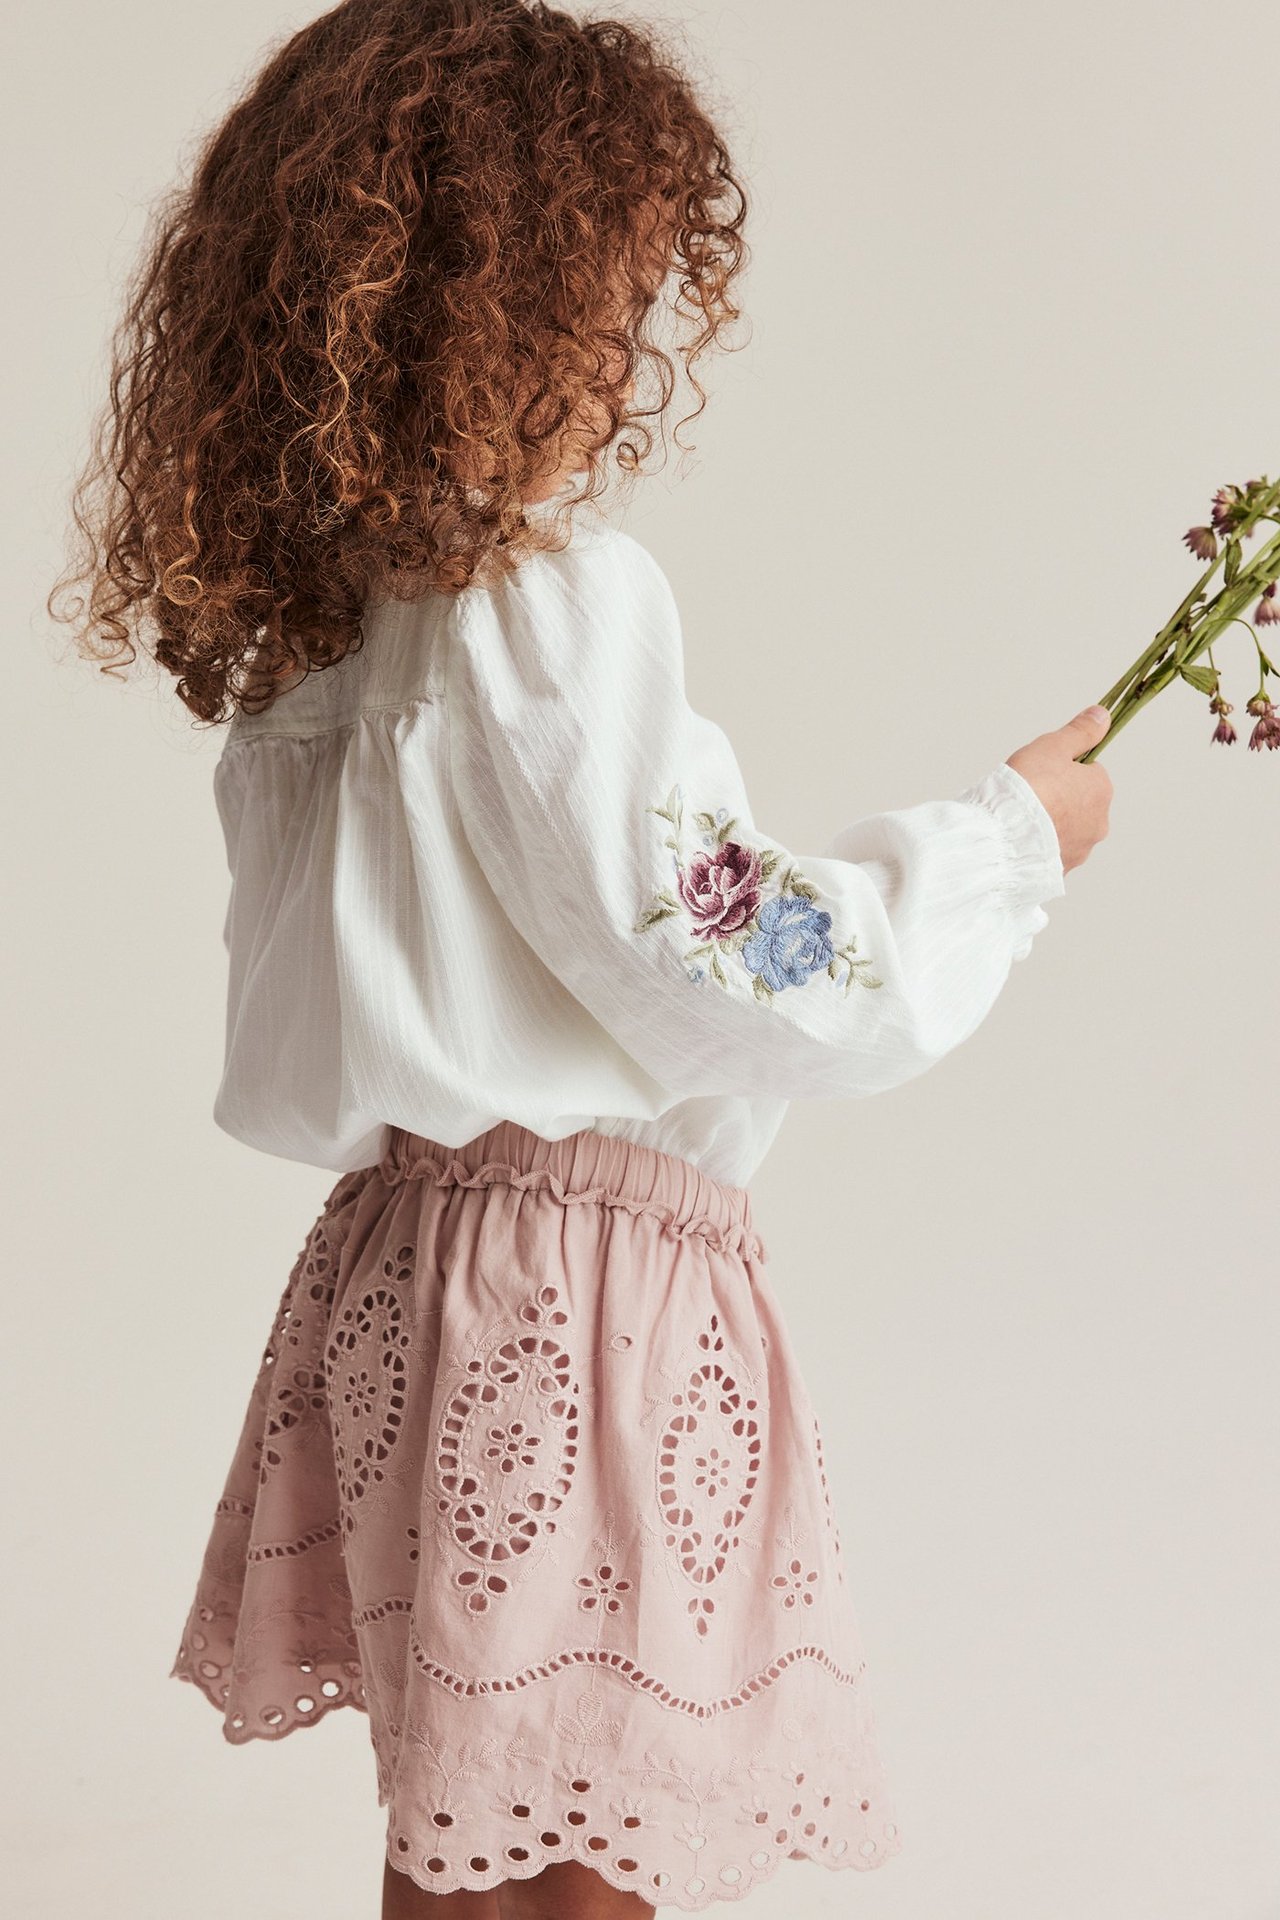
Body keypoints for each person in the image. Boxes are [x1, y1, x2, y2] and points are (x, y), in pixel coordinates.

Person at [47, 2, 1113, 1915]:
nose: (628, 351)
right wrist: (1006, 842)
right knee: (575, 1854)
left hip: (405, 1276)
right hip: (570, 1304)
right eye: (608, 293)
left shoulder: (317, 651)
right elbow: (718, 945)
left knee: (470, 1847)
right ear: (497, 299)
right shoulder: (540, 607)